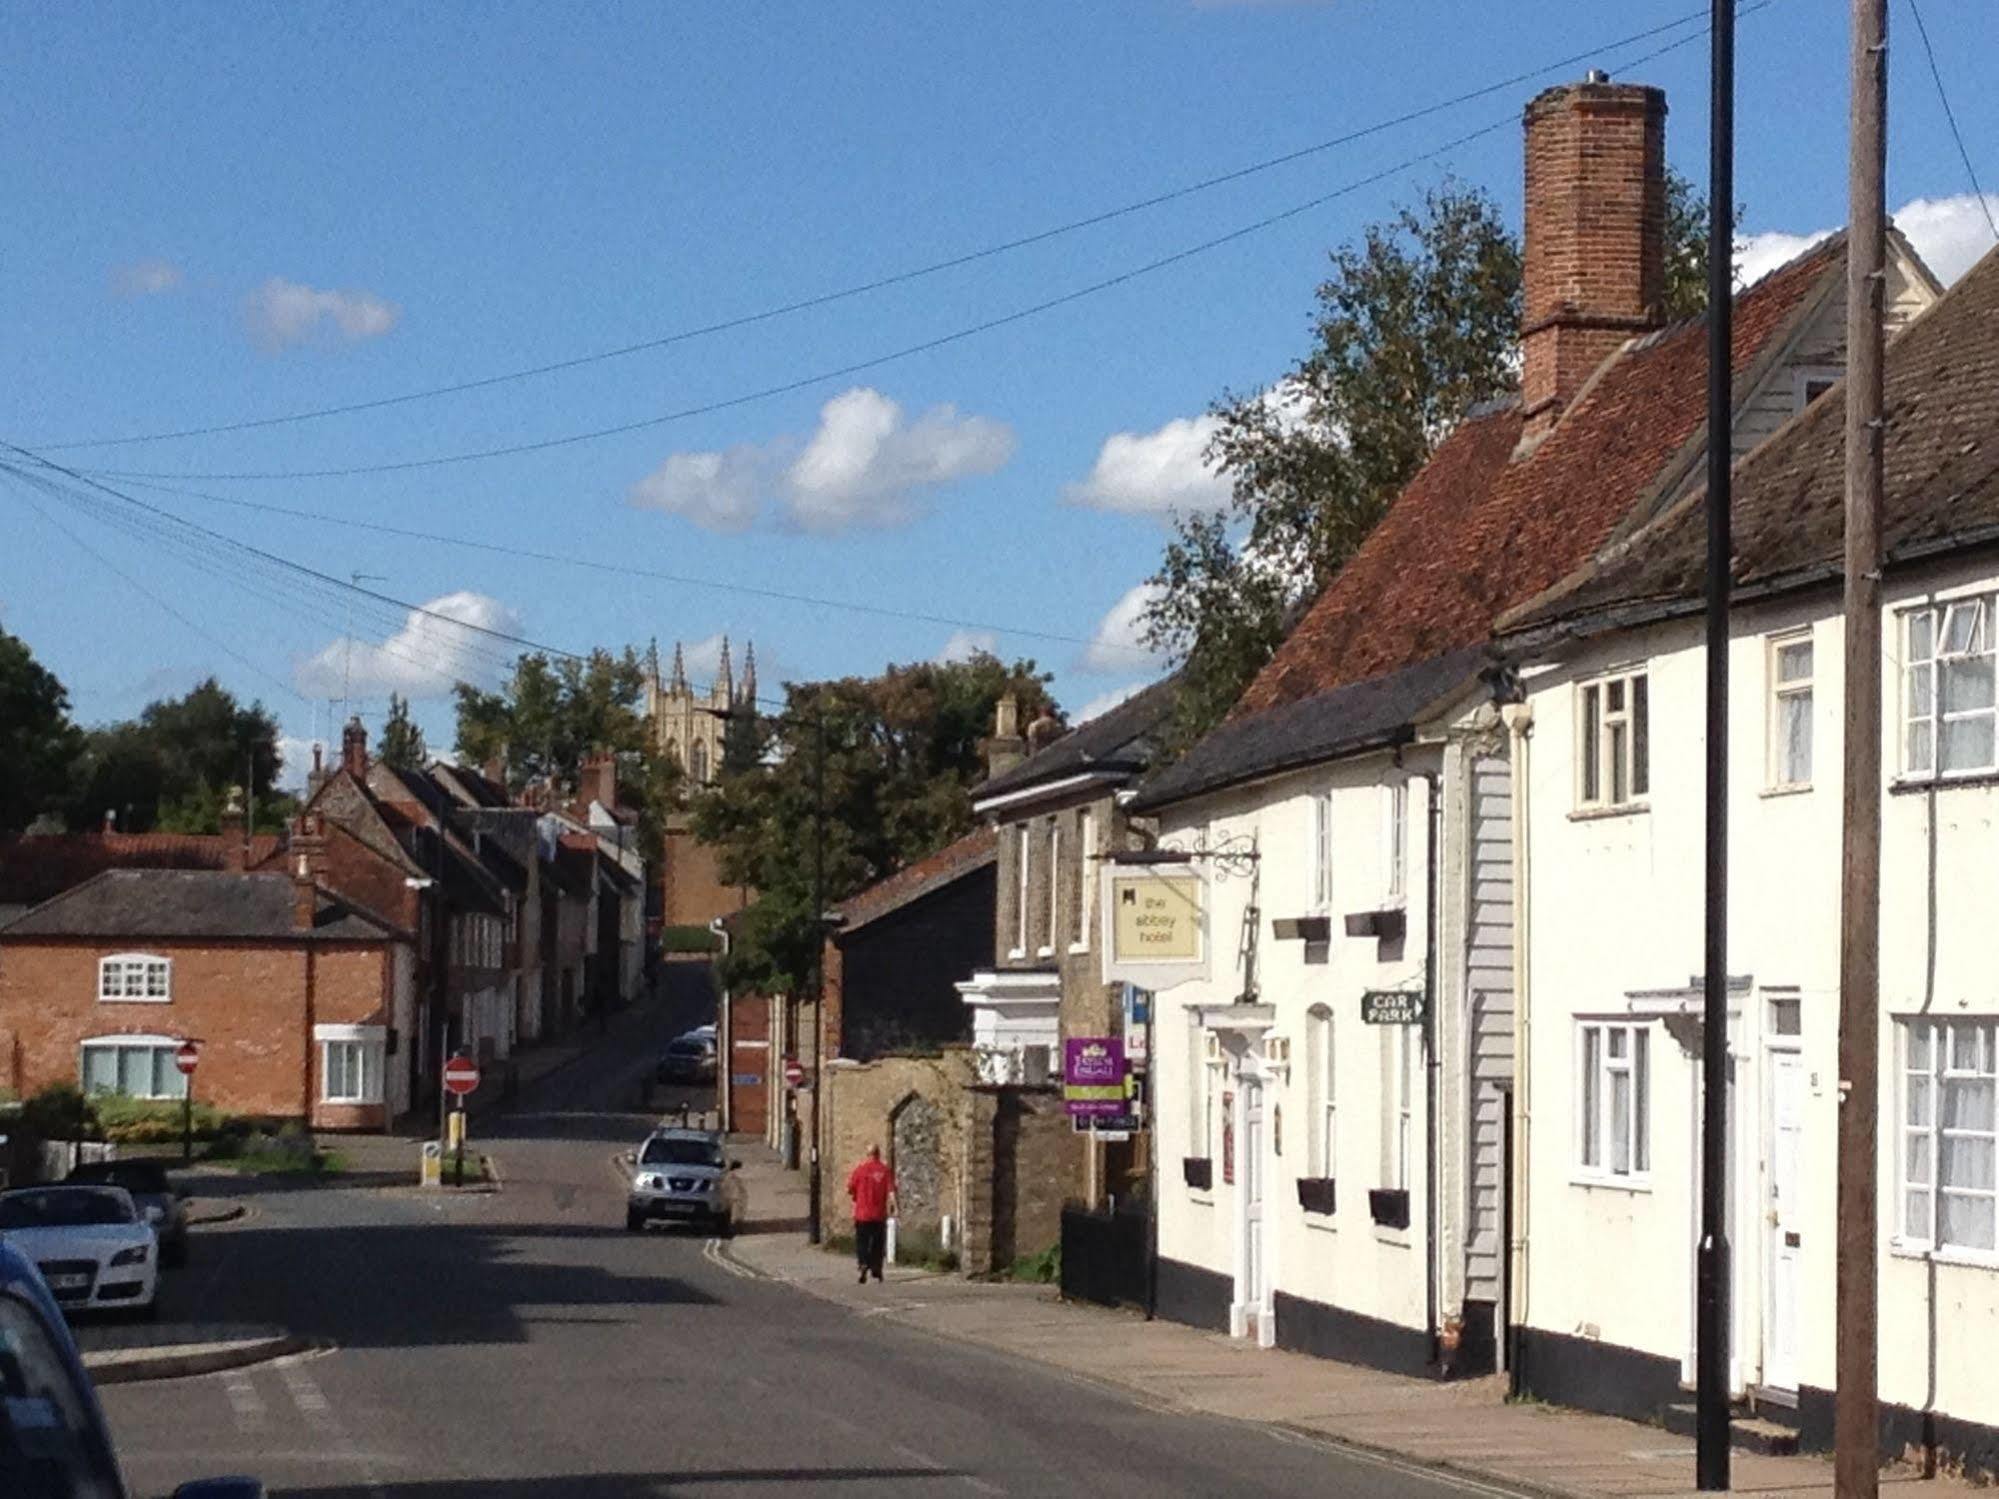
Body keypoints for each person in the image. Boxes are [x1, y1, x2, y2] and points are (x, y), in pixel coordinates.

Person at [846, 1144, 896, 1284]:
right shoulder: (885, 1171)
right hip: (879, 1214)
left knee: (862, 1241)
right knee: (878, 1243)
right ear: (878, 1154)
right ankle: (876, 1268)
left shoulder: (860, 1170)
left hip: (862, 1214)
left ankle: (863, 1264)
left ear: (868, 1154)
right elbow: (891, 1191)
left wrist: (857, 1198)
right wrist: (895, 1208)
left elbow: (850, 1189)